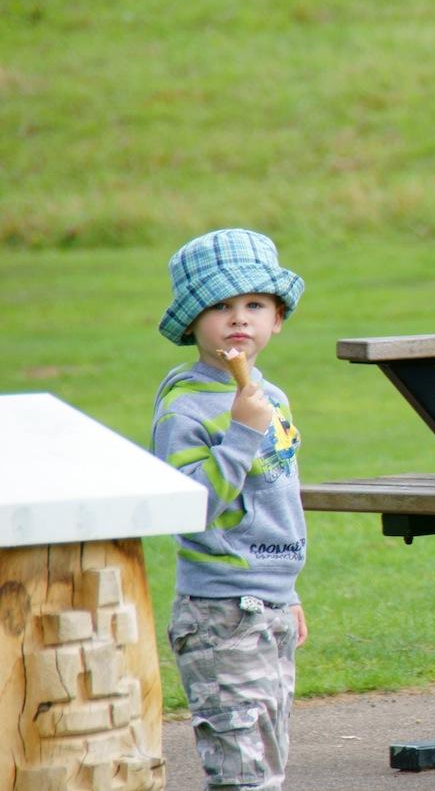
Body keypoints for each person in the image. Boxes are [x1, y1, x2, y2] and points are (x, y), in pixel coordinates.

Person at [151, 228, 309, 791]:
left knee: (269, 749)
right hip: (220, 609)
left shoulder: (271, 396)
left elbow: (274, 498)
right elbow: (191, 506)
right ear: (193, 321)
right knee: (241, 763)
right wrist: (242, 433)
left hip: (270, 600)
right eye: (220, 306)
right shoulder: (186, 407)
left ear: (277, 319)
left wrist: (287, 592)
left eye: (255, 305)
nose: (239, 317)